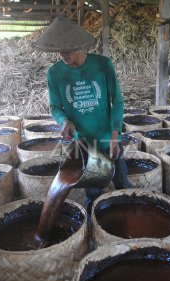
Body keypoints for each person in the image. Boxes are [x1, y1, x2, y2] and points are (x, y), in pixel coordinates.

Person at [33, 15, 131, 214]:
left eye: (67, 50)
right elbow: (55, 107)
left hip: (107, 137)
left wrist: (115, 135)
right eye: (59, 50)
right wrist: (64, 121)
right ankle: (94, 223)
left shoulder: (103, 65)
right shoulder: (55, 73)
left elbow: (118, 102)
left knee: (121, 180)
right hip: (83, 142)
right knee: (93, 190)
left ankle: (127, 216)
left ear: (81, 46)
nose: (62, 55)